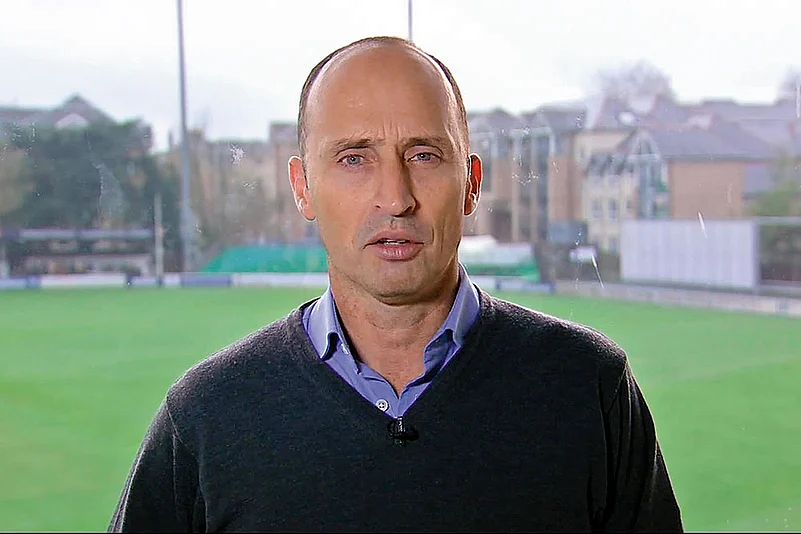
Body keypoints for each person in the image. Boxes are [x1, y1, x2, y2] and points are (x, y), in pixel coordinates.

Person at [108, 36, 683, 532]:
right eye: (354, 158)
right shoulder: (206, 414)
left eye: (425, 155)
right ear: (303, 187)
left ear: (471, 184)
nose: (395, 197)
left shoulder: (588, 386)